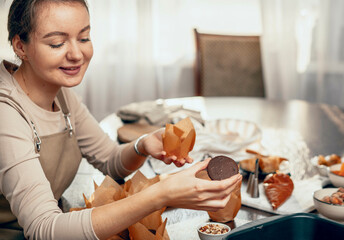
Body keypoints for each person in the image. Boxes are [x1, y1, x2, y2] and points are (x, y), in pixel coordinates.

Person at [0, 0, 242, 239]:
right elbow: (44, 228)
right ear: (21, 46)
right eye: (57, 43)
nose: (76, 54)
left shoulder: (62, 95)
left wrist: (143, 145)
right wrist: (161, 194)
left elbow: (109, 160)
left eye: (84, 38)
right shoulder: (6, 114)